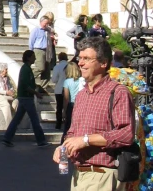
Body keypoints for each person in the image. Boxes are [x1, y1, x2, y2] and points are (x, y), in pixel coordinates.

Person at [53, 37, 136, 189]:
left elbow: (126, 134)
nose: (80, 63)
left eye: (86, 59)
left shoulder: (117, 93)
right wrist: (64, 147)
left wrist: (86, 140)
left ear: (104, 63)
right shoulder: (82, 95)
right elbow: (72, 132)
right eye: (80, 58)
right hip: (78, 176)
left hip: (103, 175)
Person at [2, 50, 49, 147]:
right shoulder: (25, 69)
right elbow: (26, 85)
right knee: (34, 119)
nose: (35, 58)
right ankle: (41, 141)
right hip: (26, 97)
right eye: (33, 56)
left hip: (24, 97)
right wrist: (36, 93)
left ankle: (7, 138)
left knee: (17, 119)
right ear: (28, 58)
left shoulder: (27, 69)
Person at [29, 15, 54, 90]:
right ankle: (30, 77)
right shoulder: (36, 30)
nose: (46, 25)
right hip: (38, 50)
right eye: (45, 23)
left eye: (47, 23)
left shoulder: (48, 30)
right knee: (40, 67)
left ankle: (43, 88)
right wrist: (31, 51)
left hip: (47, 50)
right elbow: (31, 41)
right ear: (41, 22)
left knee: (47, 70)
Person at [62, 60, 84, 140]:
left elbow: (66, 98)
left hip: (71, 105)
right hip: (81, 105)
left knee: (68, 127)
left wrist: (64, 111)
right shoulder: (82, 80)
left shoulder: (67, 82)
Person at [52, 52, 69, 130]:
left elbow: (54, 79)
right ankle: (67, 122)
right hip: (69, 89)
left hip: (59, 89)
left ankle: (58, 124)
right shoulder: (70, 66)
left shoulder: (57, 67)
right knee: (68, 107)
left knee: (59, 107)